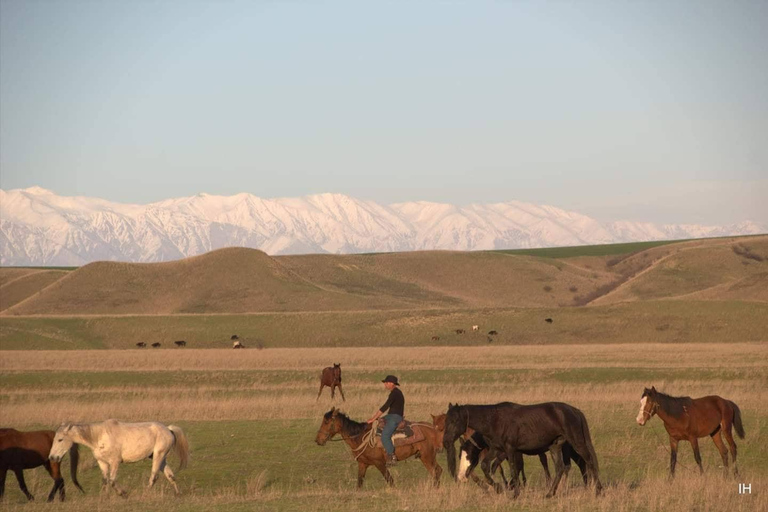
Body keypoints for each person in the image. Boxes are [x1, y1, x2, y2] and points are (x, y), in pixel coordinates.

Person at [367, 375, 405, 466]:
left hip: (394, 417)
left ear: (392, 383)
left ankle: (392, 456)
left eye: (386, 383)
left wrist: (373, 418)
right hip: (391, 416)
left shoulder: (395, 393)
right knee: (379, 422)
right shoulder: (396, 392)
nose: (385, 384)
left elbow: (385, 407)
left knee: (385, 435)